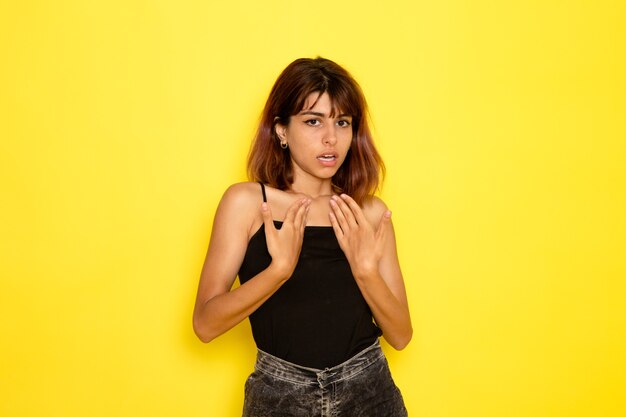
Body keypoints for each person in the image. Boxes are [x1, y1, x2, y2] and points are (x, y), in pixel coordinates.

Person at [193, 57, 412, 416]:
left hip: (369, 391)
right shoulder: (248, 204)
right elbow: (205, 324)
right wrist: (278, 270)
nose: (331, 138)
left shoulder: (367, 212)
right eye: (313, 121)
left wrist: (365, 271)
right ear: (281, 130)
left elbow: (401, 335)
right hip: (280, 396)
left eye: (342, 122)